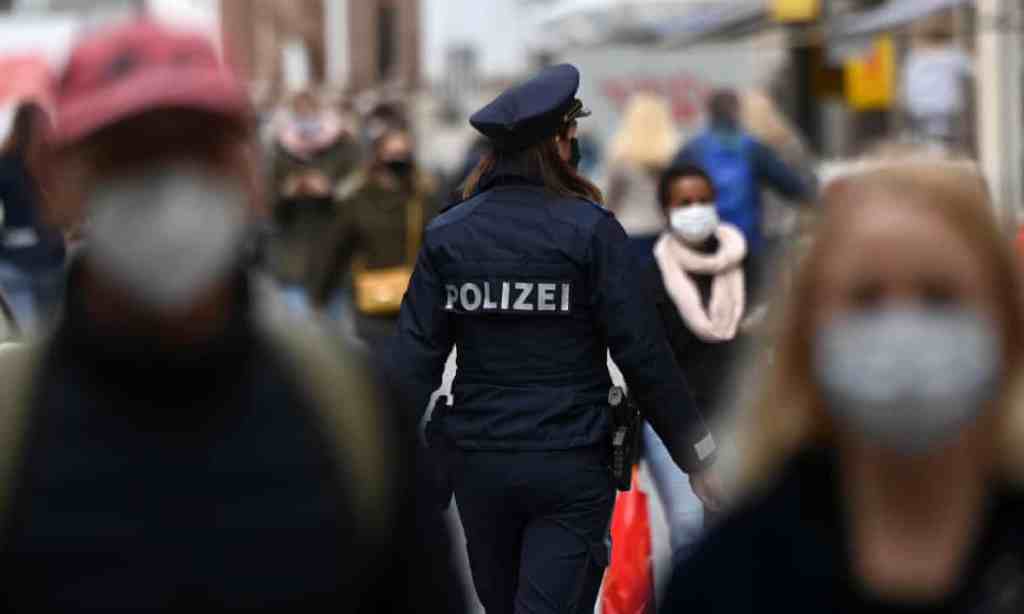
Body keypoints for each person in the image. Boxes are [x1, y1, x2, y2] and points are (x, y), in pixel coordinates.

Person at [0, 19, 464, 612]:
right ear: (55, 180)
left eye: (198, 150)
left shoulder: (353, 413)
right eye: (129, 155)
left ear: (248, 174)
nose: (169, 188)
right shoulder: (15, 430)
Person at [390, 63, 720, 614]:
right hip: (569, 465)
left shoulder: (450, 234)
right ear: (558, 143)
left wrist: (379, 466)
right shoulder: (590, 231)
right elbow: (643, 356)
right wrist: (700, 455)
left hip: (479, 466)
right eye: (571, 133)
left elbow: (410, 361)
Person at [663, 157, 1024, 612]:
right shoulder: (725, 579)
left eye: (939, 296)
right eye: (866, 298)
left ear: (1005, 325)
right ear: (807, 332)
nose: (902, 328)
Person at [640, 162, 755, 564]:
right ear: (666, 210)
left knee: (739, 530)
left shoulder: (746, 264)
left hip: (739, 417)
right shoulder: (650, 277)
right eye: (684, 202)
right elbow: (647, 358)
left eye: (703, 200)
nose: (696, 209)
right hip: (676, 419)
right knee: (689, 527)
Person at [672, 89, 810, 301]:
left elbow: (671, 187)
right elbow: (788, 183)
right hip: (745, 236)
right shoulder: (752, 147)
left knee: (707, 296)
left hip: (705, 235)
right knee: (747, 297)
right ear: (737, 112)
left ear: (710, 113)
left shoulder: (693, 149)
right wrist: (810, 197)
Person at [311, 127, 439, 350]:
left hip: (417, 305)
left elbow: (441, 249)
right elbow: (336, 249)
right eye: (392, 153)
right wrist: (320, 296)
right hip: (372, 303)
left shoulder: (423, 200)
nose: (398, 160)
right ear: (377, 157)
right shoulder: (358, 200)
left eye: (403, 153)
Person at [264, 89, 361, 311]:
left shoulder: (344, 145)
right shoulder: (279, 147)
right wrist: (286, 191)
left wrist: (331, 190)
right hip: (293, 257)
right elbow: (264, 201)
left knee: (336, 338)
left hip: (335, 258)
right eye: (300, 111)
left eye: (311, 110)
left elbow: (359, 188)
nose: (306, 117)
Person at [0, 103, 66, 333]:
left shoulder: (5, 163)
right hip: (50, 258)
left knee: (28, 339)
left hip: (12, 260)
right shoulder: (54, 165)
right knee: (48, 335)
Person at [604, 93, 679, 257]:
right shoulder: (670, 158)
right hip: (660, 231)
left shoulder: (620, 158)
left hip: (627, 229)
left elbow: (611, 200)